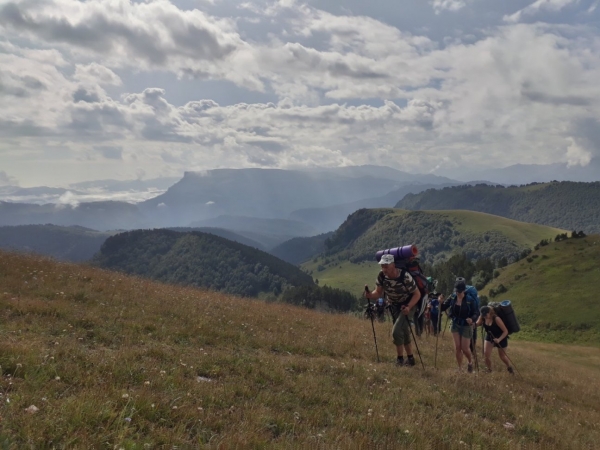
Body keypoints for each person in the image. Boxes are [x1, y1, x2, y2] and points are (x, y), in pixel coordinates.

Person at [364, 254, 421, 366]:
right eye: (382, 266)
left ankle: (399, 360)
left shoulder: (405, 276)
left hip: (408, 305)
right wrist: (370, 295)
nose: (384, 269)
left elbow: (417, 294)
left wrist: (409, 307)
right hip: (394, 306)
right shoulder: (381, 276)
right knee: (404, 332)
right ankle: (410, 359)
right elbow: (379, 293)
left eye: (386, 266)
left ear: (393, 265)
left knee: (396, 332)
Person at [441, 277, 479, 372]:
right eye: (457, 291)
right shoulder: (453, 297)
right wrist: (440, 302)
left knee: (465, 348)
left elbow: (476, 312)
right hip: (455, 324)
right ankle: (460, 368)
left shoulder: (470, 299)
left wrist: (472, 319)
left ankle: (470, 362)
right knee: (458, 347)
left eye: (460, 291)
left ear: (464, 290)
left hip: (466, 325)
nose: (458, 293)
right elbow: (443, 307)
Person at [476, 306, 514, 374]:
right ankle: (489, 370)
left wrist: (499, 339)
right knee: (486, 355)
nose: (485, 316)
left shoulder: (496, 319)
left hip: (501, 337)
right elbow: (477, 324)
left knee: (502, 356)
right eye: (483, 315)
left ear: (489, 312)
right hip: (490, 336)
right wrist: (471, 323)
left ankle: (509, 367)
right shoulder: (482, 317)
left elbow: (505, 331)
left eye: (486, 315)